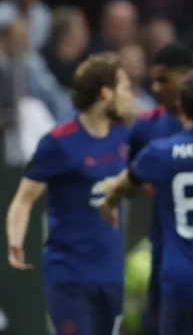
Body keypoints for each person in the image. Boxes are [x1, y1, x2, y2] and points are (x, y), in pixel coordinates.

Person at [96, 69, 193, 335]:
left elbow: (125, 181)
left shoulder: (159, 152)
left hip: (178, 282)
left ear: (180, 108)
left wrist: (108, 202)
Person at [5, 54, 133, 334]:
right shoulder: (58, 142)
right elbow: (23, 199)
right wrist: (15, 240)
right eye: (124, 87)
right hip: (70, 275)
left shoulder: (124, 135)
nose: (130, 95)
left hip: (111, 272)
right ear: (105, 94)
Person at [123, 42, 193, 335]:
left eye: (164, 80)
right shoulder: (145, 126)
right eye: (153, 80)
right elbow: (128, 180)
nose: (155, 88)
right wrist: (148, 188)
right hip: (165, 248)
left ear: (186, 76)